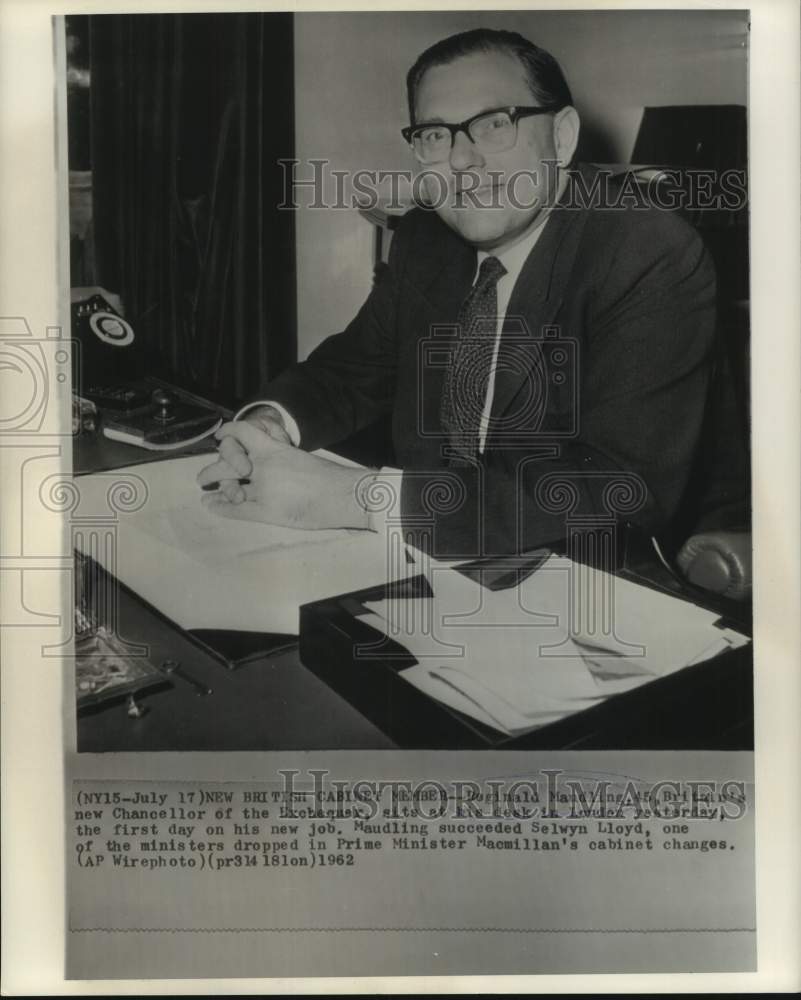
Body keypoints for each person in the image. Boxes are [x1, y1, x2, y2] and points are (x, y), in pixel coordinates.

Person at [197, 28, 717, 560]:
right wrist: (266, 427)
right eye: (435, 135)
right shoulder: (427, 236)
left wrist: (351, 498)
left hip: (582, 580)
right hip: (420, 559)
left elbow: (620, 492)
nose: (462, 161)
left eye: (495, 124)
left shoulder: (646, 252)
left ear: (561, 138)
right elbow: (351, 371)